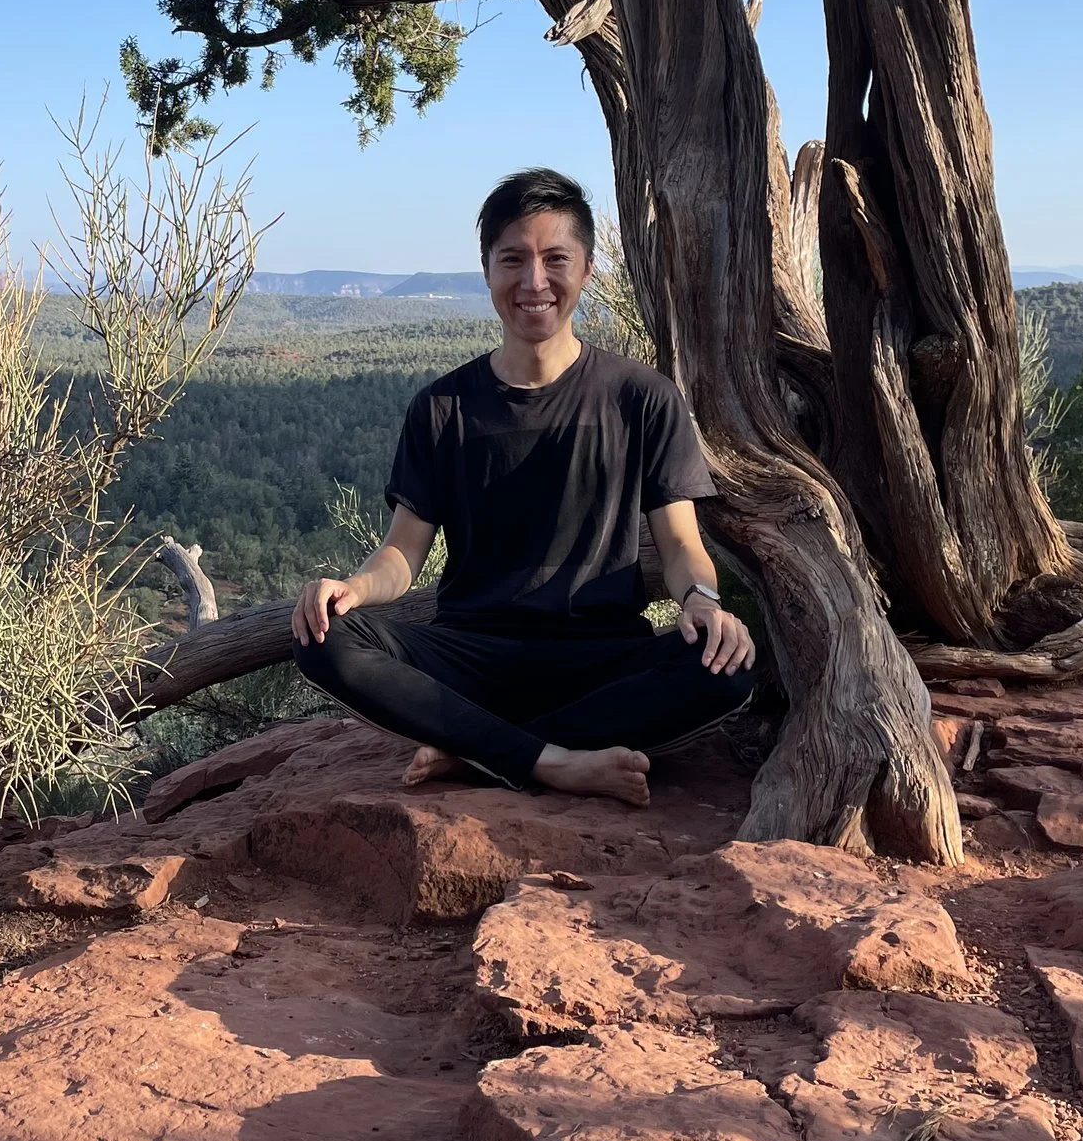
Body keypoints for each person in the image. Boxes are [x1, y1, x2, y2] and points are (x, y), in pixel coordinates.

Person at [291, 168, 757, 806]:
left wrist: (702, 602)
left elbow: (679, 543)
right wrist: (351, 588)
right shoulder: (443, 407)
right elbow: (403, 553)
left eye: (555, 259)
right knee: (327, 640)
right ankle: (556, 760)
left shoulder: (640, 398)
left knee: (728, 664)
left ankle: (484, 752)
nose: (534, 282)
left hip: (597, 656)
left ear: (587, 268)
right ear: (486, 272)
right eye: (513, 260)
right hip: (469, 659)